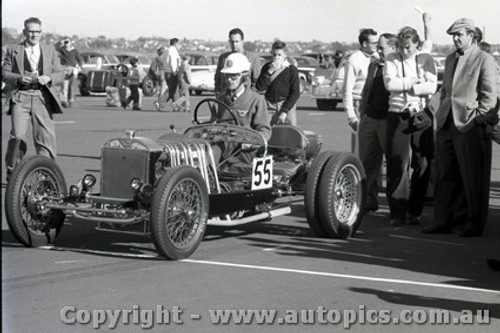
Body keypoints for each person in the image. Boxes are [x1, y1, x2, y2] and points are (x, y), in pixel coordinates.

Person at [423, 18, 498, 236]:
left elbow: (490, 97)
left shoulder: (484, 59)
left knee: (472, 177)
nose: (455, 39)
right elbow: (446, 91)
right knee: (445, 176)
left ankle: (475, 222)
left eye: (459, 35)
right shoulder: (449, 59)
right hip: (447, 124)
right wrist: (441, 114)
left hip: (470, 126)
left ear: (472, 36)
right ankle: (443, 221)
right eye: (453, 35)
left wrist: (479, 120)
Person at [383, 26, 437, 226]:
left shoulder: (426, 59)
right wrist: (415, 81)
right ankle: (397, 212)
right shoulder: (391, 59)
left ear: (417, 44)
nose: (405, 51)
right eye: (402, 47)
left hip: (421, 115)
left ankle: (415, 211)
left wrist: (408, 86)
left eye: (408, 47)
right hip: (398, 115)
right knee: (398, 162)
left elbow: (432, 86)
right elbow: (390, 84)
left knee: (422, 164)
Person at [2, 17, 64, 182]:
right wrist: (19, 78)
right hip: (21, 96)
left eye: (37, 32)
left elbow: (60, 73)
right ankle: (13, 172)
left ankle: (46, 174)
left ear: (41, 33)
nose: (34, 35)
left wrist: (49, 78)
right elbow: (4, 73)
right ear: (24, 32)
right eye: (31, 31)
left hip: (42, 97)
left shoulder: (50, 50)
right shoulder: (13, 49)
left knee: (45, 137)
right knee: (17, 136)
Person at [357, 33, 398, 213]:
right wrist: (363, 111)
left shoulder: (399, 65)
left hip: (389, 121)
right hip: (370, 119)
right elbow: (367, 89)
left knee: (393, 164)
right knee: (367, 163)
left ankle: (396, 206)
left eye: (382, 47)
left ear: (393, 47)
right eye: (377, 47)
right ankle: (368, 200)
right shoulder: (374, 64)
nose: (377, 50)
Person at [214, 52, 271, 167]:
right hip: (222, 147)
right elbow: (214, 124)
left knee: (233, 168)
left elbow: (265, 130)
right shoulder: (220, 99)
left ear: (244, 75)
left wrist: (251, 142)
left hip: (244, 152)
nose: (229, 80)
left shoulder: (256, 100)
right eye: (226, 75)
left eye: (234, 75)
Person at [342, 28, 379, 152]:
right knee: (360, 146)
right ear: (364, 44)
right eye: (374, 43)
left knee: (374, 145)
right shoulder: (354, 60)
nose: (377, 45)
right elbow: (346, 89)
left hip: (374, 104)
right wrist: (351, 115)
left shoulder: (377, 57)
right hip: (359, 104)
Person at [255, 40, 300, 126]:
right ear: (271, 54)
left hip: (286, 104)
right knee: (267, 131)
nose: (276, 58)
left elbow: (295, 93)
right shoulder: (267, 67)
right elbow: (260, 87)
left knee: (289, 133)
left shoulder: (291, 70)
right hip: (269, 105)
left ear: (285, 55)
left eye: (279, 55)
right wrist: (269, 71)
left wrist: (285, 111)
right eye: (274, 55)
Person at [214, 28, 261, 95]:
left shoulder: (253, 58)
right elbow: (217, 78)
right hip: (225, 99)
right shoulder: (223, 58)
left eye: (237, 41)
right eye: (232, 42)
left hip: (245, 99)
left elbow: (256, 82)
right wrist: (218, 94)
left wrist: (249, 98)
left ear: (242, 41)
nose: (234, 44)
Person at [55, 37, 83, 108]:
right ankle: (65, 101)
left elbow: (80, 59)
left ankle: (71, 100)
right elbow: (54, 47)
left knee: (72, 86)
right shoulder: (62, 50)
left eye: (67, 42)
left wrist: (79, 66)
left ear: (70, 43)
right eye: (65, 42)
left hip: (73, 69)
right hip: (65, 69)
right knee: (65, 86)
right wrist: (60, 41)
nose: (66, 44)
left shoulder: (74, 51)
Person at [164, 38, 181, 107]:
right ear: (175, 43)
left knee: (173, 90)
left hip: (167, 71)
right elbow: (173, 62)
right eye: (178, 44)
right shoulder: (173, 51)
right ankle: (161, 102)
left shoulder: (167, 50)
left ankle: (176, 105)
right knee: (172, 90)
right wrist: (175, 71)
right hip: (172, 72)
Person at [150, 46, 168, 110]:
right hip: (164, 73)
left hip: (158, 74)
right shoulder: (165, 58)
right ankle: (159, 103)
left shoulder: (156, 58)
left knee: (160, 90)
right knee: (163, 90)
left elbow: (152, 68)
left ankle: (159, 102)